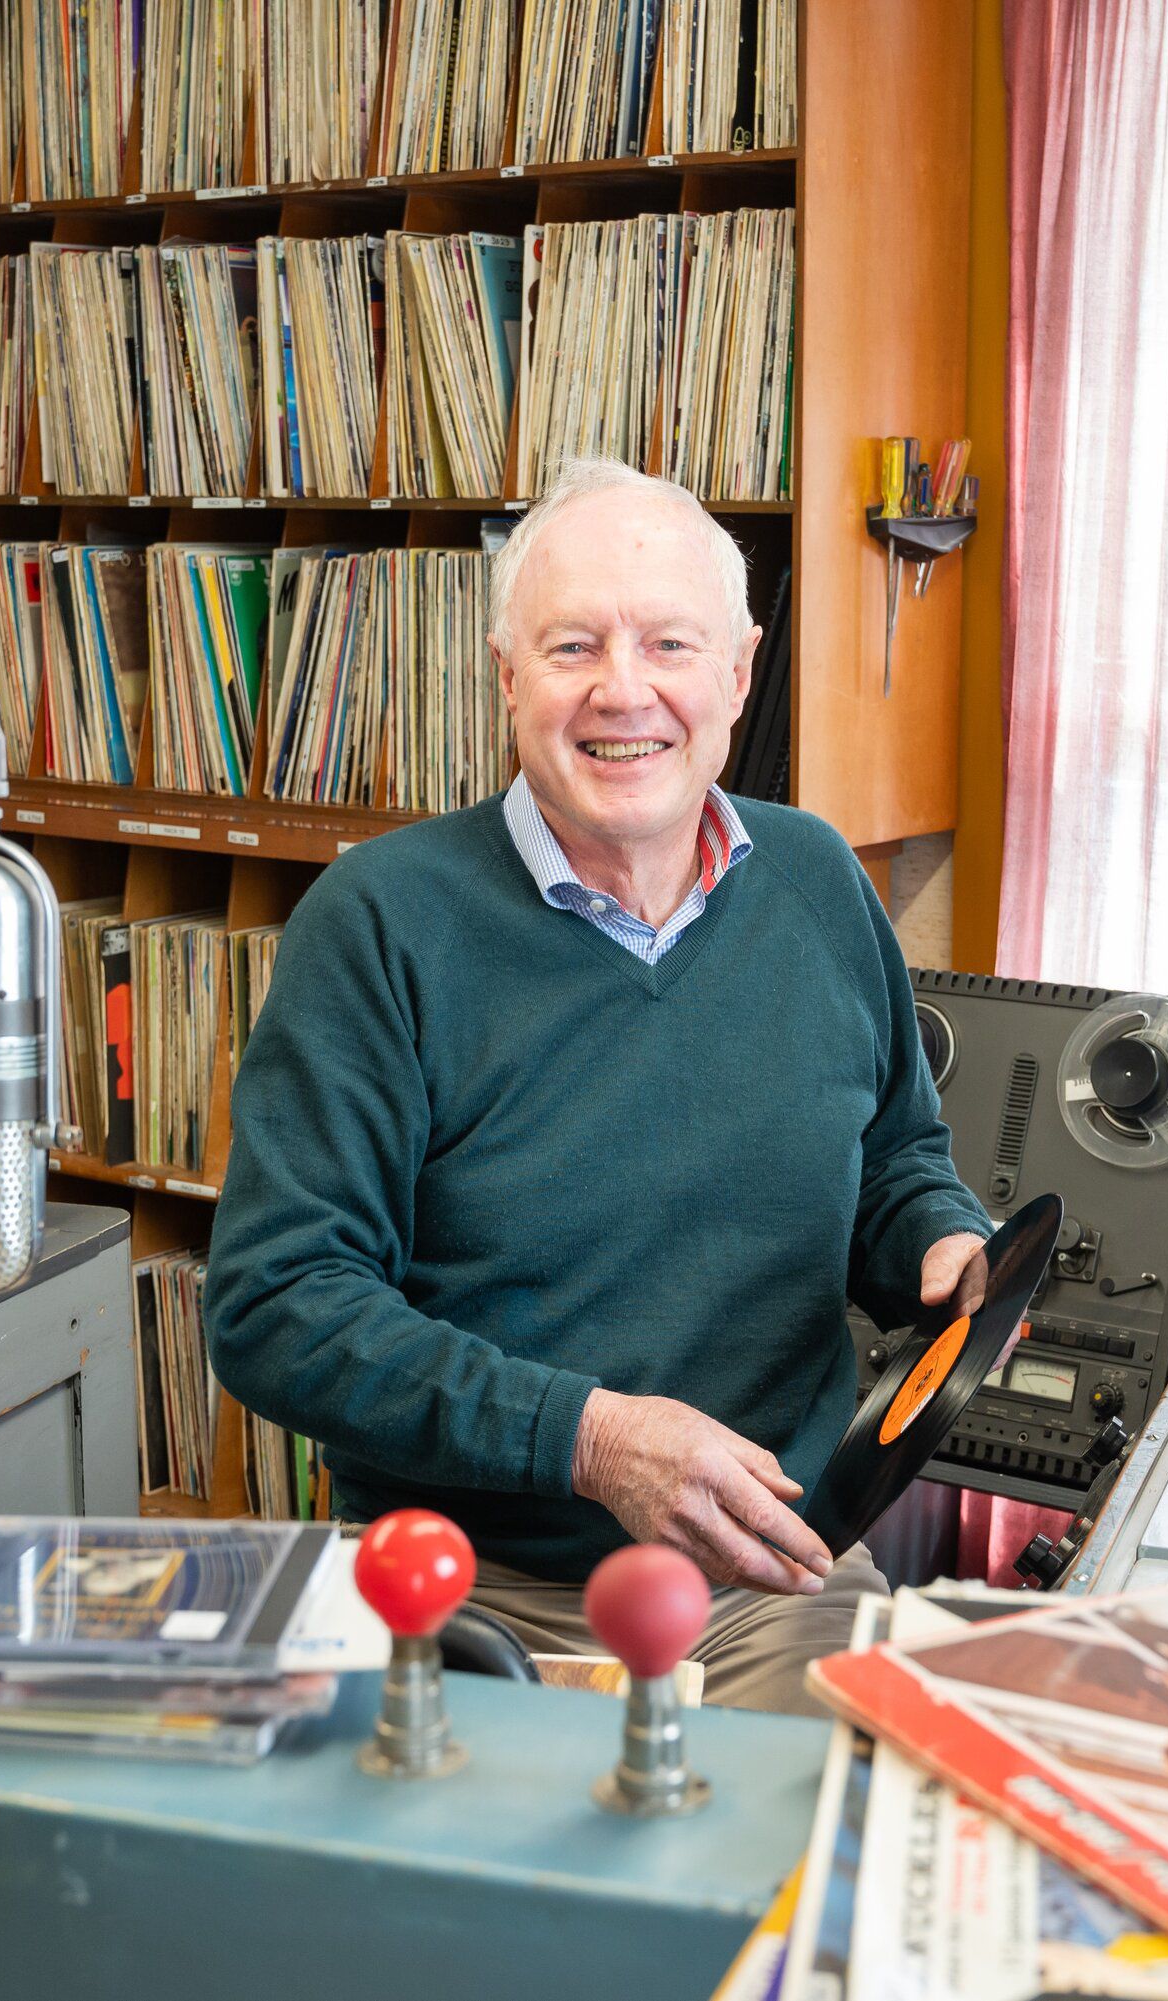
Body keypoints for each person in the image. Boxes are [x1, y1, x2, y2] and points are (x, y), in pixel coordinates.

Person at [207, 457, 989, 1716]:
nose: (624, 691)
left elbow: (894, 1157)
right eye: (573, 646)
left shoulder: (819, 879)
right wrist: (591, 1439)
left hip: (772, 1575)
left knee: (814, 1876)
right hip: (471, 1589)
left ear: (737, 671)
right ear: (510, 678)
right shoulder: (378, 926)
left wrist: (942, 1245)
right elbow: (276, 1305)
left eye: (668, 642)